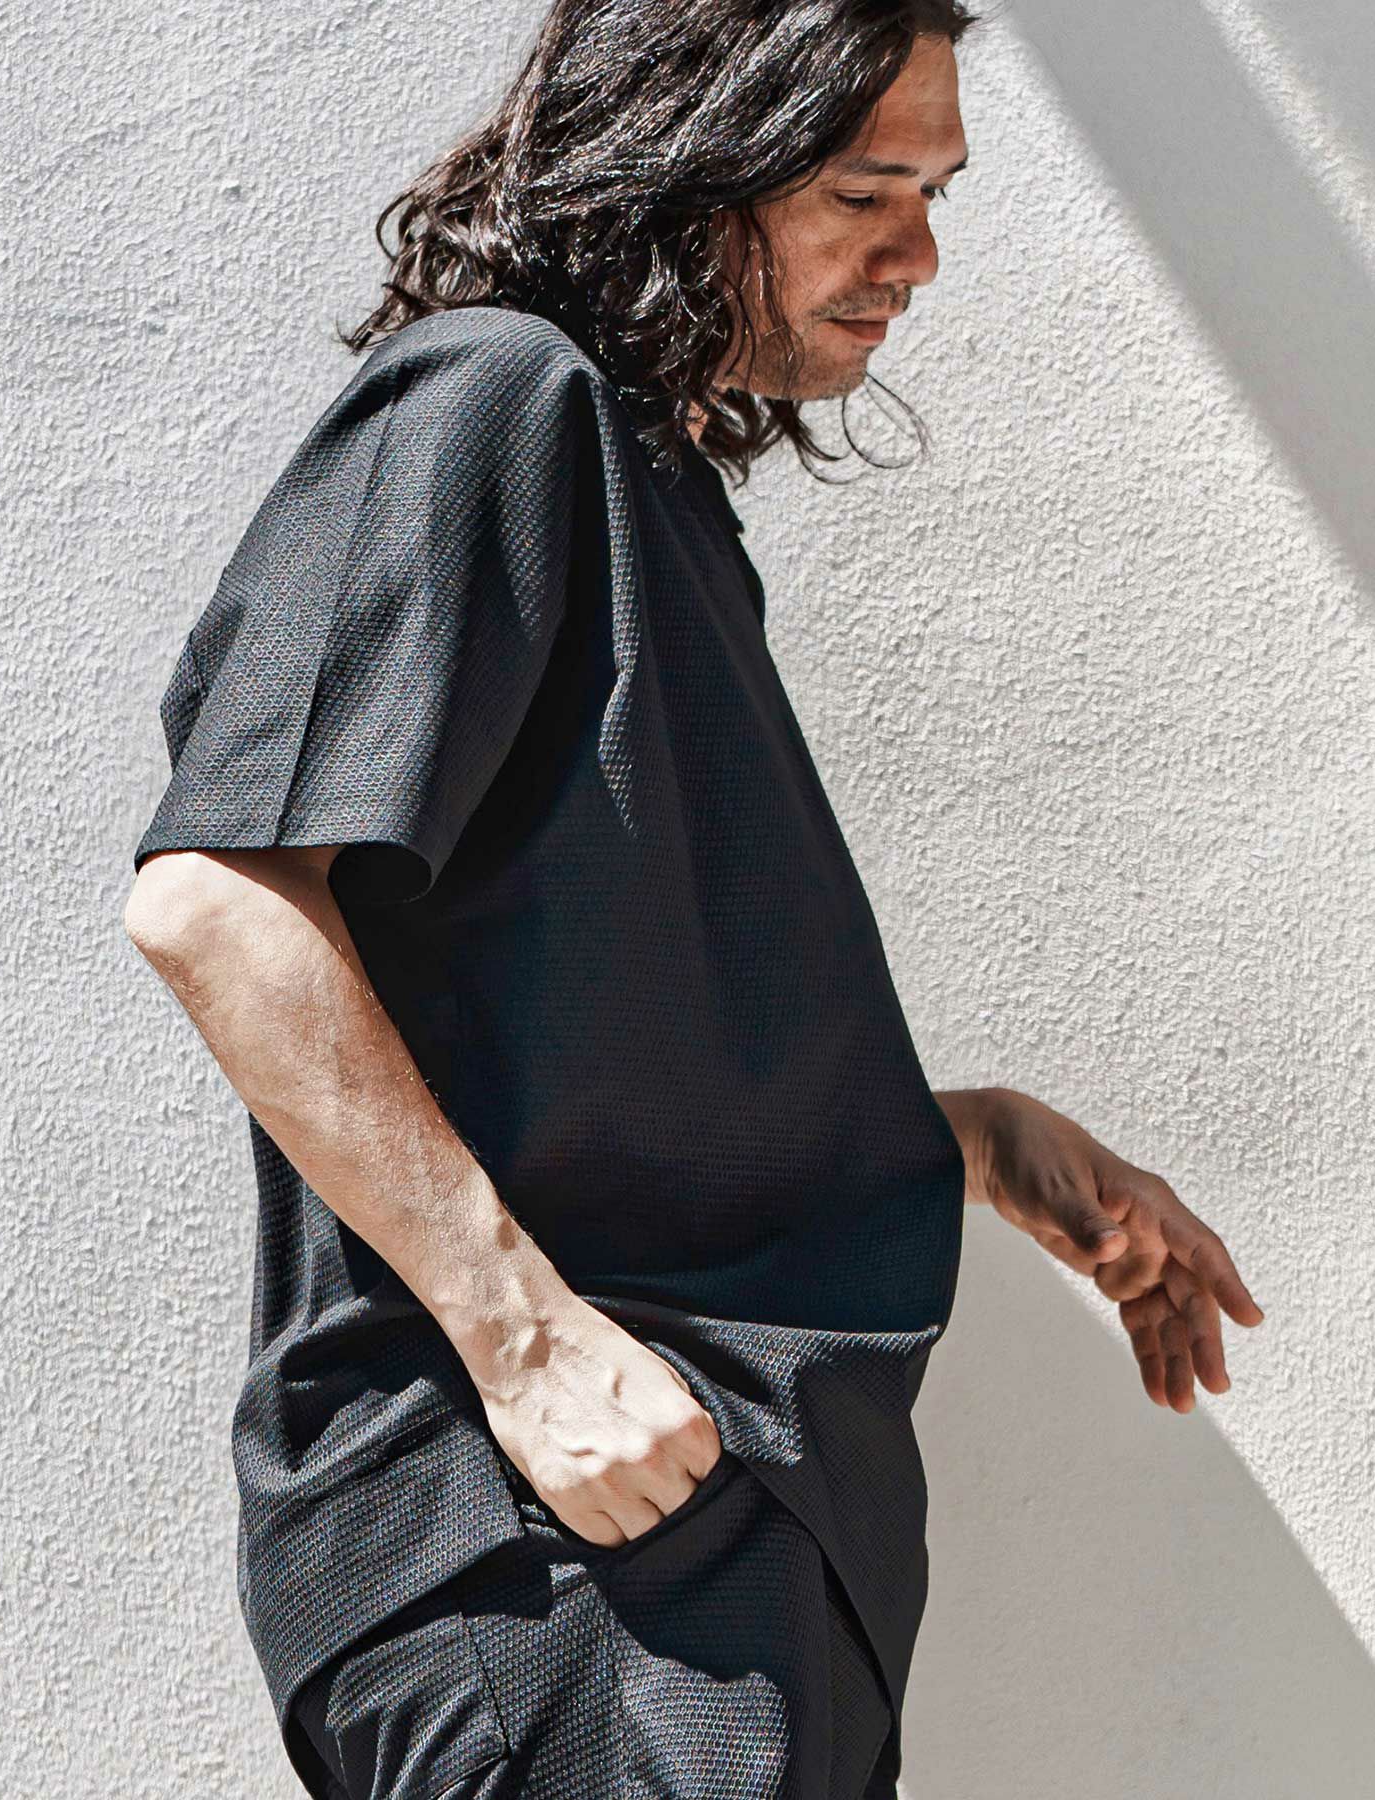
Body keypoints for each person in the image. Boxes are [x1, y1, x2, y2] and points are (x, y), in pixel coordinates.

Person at [123, 5, 1266, 1795]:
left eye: (936, 192)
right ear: (683, 163)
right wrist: (524, 1342)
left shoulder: (648, 490)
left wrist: (963, 1141)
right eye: (862, 191)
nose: (919, 255)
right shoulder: (495, 399)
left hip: (706, 1551)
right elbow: (217, 903)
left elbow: (585, 1057)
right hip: (562, 1563)